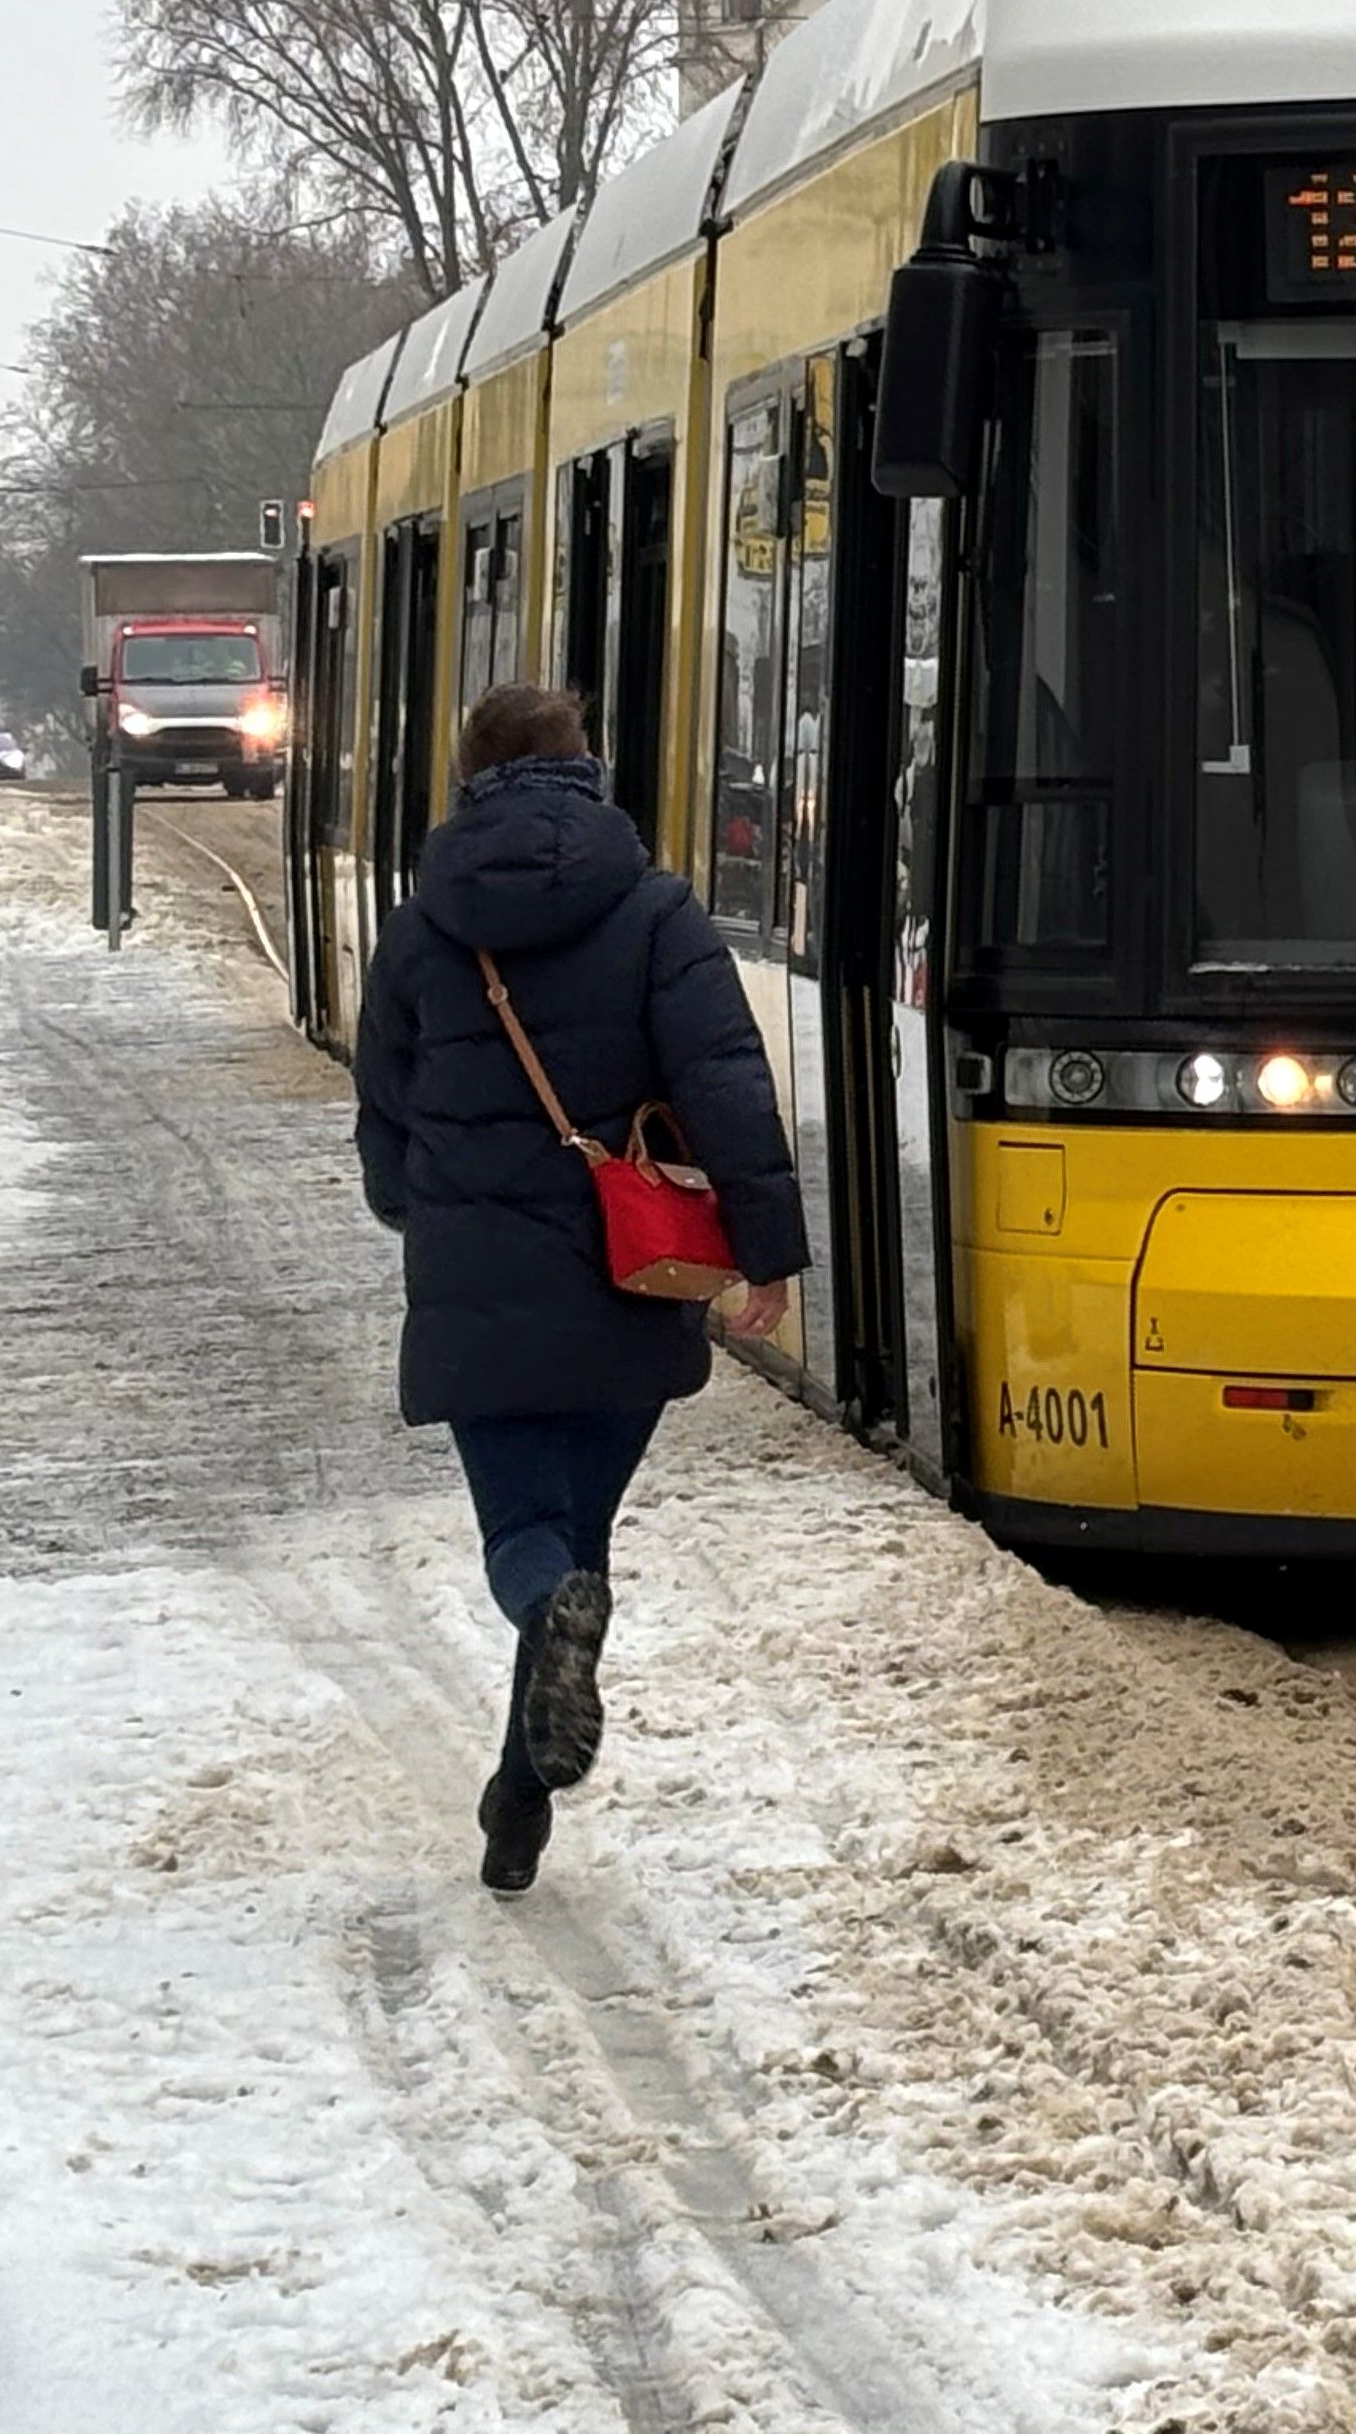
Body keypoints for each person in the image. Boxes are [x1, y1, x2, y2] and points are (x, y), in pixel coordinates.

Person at [354, 685, 804, 1896]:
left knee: (531, 1548)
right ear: (587, 768)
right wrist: (767, 1248)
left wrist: (412, 1207)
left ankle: (523, 1777)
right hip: (627, 1275)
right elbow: (725, 1080)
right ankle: (518, 1807)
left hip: (475, 1282)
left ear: (468, 776)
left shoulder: (423, 922)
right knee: (578, 1548)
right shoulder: (657, 910)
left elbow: (385, 1101)